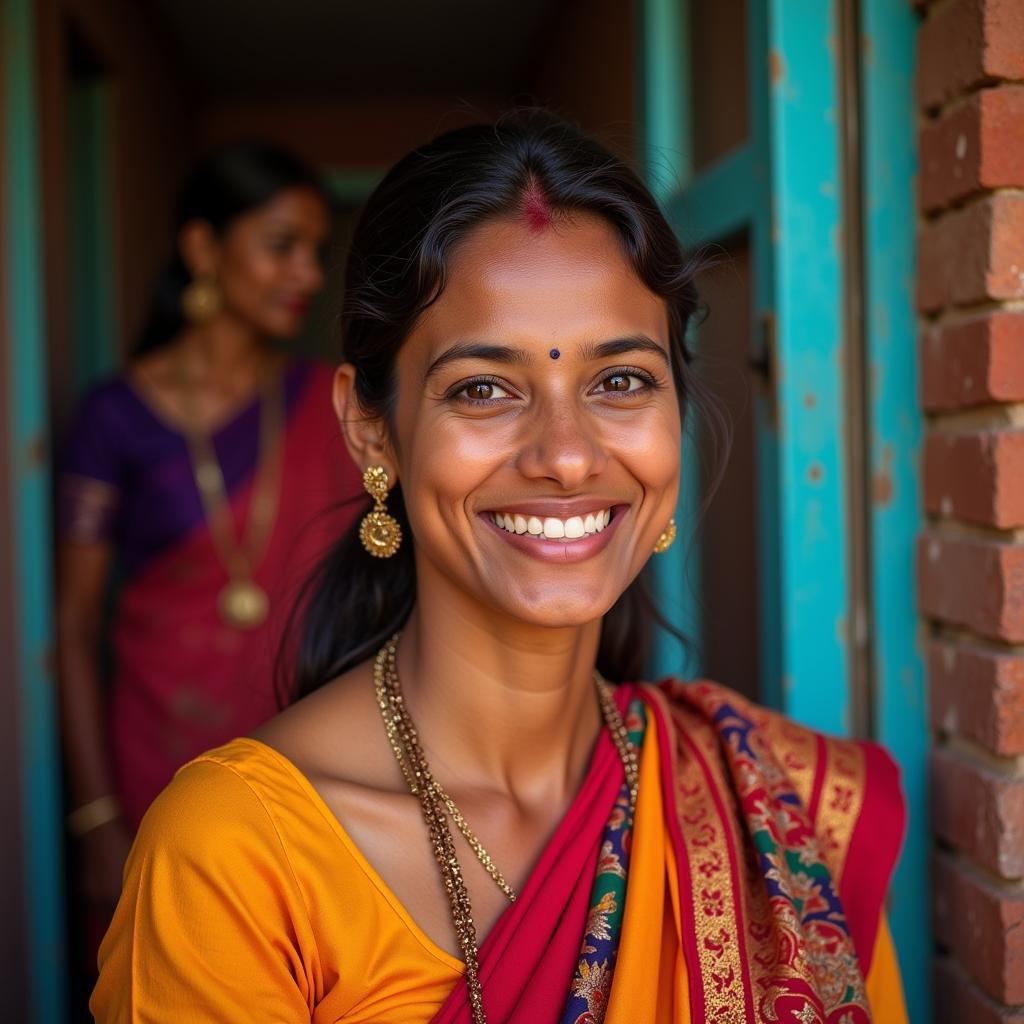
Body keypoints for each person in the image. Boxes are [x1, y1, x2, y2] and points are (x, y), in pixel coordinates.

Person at [92, 113, 907, 1023]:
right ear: (372, 430)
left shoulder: (782, 818)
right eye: (483, 388)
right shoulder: (236, 856)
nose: (565, 456)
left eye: (621, 380)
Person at [56, 142, 362, 926]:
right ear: (202, 248)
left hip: (304, 752)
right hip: (154, 750)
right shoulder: (114, 418)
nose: (307, 274)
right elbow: (73, 627)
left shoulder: (323, 405)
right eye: (281, 246)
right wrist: (96, 821)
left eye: (315, 252)